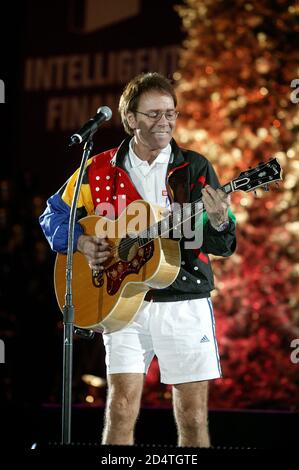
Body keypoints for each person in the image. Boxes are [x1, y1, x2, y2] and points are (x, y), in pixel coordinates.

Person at [39, 72, 236, 447]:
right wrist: (81, 242)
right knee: (120, 408)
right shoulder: (98, 170)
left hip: (183, 299)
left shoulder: (193, 168)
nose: (164, 122)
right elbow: (52, 215)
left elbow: (223, 243)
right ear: (130, 119)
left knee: (193, 417)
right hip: (121, 302)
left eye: (170, 113)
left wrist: (221, 220)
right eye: (153, 114)